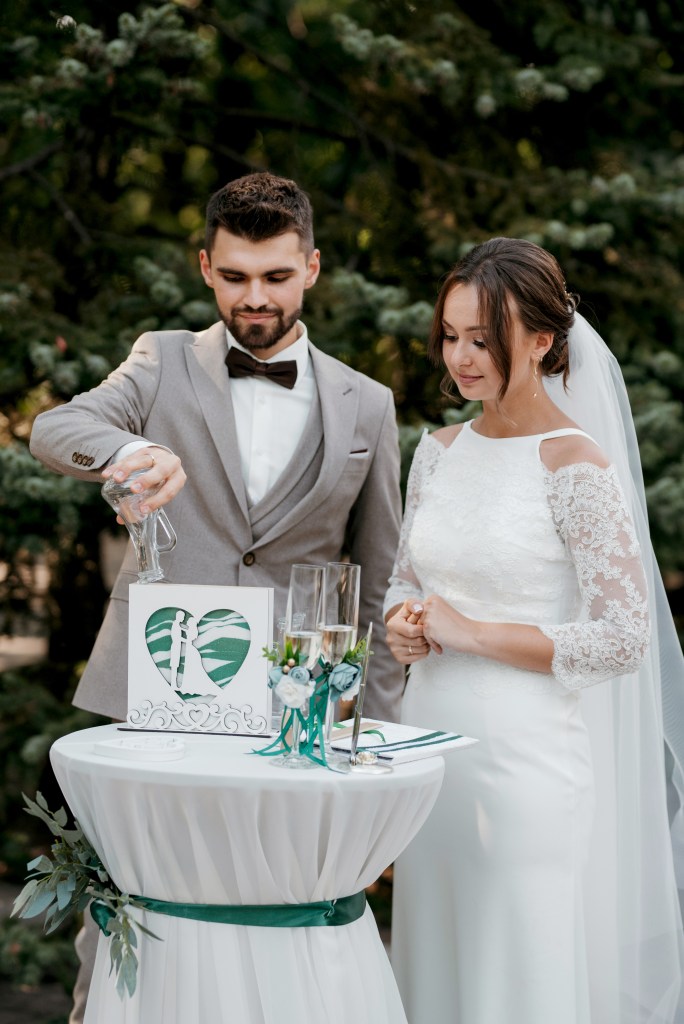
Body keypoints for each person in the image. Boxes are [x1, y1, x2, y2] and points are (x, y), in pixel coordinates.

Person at [30, 171, 404, 1023]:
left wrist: (371, 735)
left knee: (273, 919)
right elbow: (55, 428)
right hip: (159, 691)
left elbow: (378, 581)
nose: (254, 297)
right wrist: (132, 454)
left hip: (294, 713)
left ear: (312, 268)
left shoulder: (369, 404)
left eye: (276, 276)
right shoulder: (160, 360)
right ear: (205, 267)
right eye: (234, 276)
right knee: (124, 915)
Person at [384, 237, 684, 1024]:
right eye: (451, 336)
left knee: (516, 970)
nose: (461, 358)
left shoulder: (574, 464)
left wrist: (472, 633)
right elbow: (405, 582)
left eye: (483, 340)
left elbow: (623, 636)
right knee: (437, 959)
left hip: (523, 765)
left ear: (542, 340)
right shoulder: (437, 452)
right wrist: (402, 627)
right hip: (427, 754)